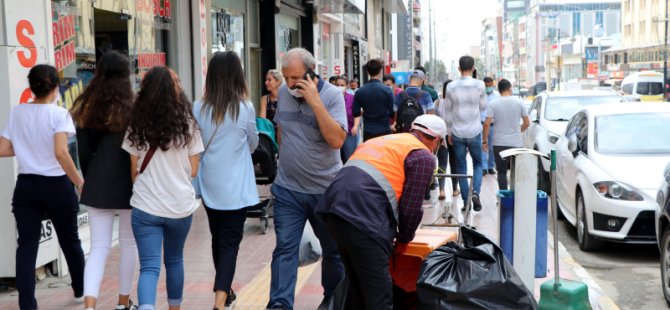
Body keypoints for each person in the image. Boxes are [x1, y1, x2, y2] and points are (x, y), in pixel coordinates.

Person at [316, 115, 446, 309]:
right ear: (437, 140)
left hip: (331, 208)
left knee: (359, 285)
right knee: (379, 292)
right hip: (362, 216)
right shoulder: (423, 155)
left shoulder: (381, 141)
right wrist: (403, 241)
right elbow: (410, 209)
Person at [0, 64, 86, 310]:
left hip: (26, 186)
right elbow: (61, 152)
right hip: (57, 186)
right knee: (70, 239)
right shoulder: (59, 115)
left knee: (26, 246)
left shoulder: (18, 112)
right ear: (55, 88)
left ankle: (27, 304)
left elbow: (3, 149)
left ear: (32, 88)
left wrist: (29, 148)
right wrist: (79, 181)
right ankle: (80, 287)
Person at [267, 48, 346, 310]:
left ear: (313, 72)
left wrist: (315, 102)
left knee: (333, 252)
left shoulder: (333, 96)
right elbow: (282, 132)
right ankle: (280, 305)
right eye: (286, 78)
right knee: (284, 251)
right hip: (288, 189)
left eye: (296, 78)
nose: (290, 85)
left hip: (326, 191)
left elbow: (336, 140)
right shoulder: (285, 95)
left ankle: (333, 301)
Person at [122, 66, 204, 310]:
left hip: (146, 206)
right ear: (174, 91)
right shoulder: (188, 125)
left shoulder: (136, 124)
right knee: (175, 260)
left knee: (149, 266)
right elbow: (194, 170)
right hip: (180, 206)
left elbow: (133, 170)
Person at [71, 51, 138, 310]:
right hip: (129, 184)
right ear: (125, 76)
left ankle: (89, 305)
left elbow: (84, 153)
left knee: (98, 247)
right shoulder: (133, 108)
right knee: (128, 243)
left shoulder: (88, 107)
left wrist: (91, 178)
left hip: (98, 183)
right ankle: (123, 302)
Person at [192, 51, 259, 310]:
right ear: (237, 76)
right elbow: (253, 144)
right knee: (230, 243)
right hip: (236, 189)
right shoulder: (245, 108)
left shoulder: (198, 107)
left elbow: (194, 144)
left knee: (217, 238)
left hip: (209, 185)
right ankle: (220, 302)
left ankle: (226, 290)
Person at [443, 55, 487, 211]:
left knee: (461, 167)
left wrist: (448, 132)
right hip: (475, 130)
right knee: (478, 163)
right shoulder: (480, 85)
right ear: (473, 68)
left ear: (459, 69)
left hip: (457, 132)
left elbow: (447, 112)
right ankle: (475, 192)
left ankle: (465, 200)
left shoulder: (451, 87)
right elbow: (483, 106)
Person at [483, 79, 530, 190]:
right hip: (516, 143)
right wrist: (518, 131)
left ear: (499, 90)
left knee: (502, 172)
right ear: (510, 88)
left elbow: (486, 124)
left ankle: (504, 199)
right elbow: (527, 123)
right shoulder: (519, 102)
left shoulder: (493, 103)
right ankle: (515, 197)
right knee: (515, 172)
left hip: (499, 143)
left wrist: (484, 141)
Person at [353, 59, 395, 141]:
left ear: (367, 72)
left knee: (371, 153)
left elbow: (356, 113)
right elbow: (391, 112)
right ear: (380, 71)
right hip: (384, 129)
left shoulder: (360, 91)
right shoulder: (387, 90)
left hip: (368, 130)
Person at [435, 79, 460, 200]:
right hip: (454, 135)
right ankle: (455, 189)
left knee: (442, 163)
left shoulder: (438, 102)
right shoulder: (457, 103)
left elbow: (435, 120)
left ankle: (442, 190)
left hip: (441, 136)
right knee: (454, 163)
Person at [336, 76, 360, 162]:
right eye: (337, 85)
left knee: (349, 158)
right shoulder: (331, 97)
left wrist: (356, 127)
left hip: (349, 133)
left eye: (342, 85)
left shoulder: (352, 98)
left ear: (346, 86)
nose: (339, 87)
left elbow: (357, 114)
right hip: (335, 133)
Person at [481, 77, 499, 176]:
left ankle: (490, 166)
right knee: (482, 146)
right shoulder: (480, 95)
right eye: (486, 86)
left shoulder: (497, 96)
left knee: (492, 147)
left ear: (492, 84)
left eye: (489, 85)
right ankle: (484, 168)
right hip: (481, 124)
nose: (488, 87)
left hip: (492, 125)